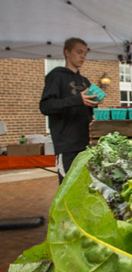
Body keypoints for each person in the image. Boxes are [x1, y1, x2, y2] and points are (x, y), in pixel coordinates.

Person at [40, 37, 98, 184]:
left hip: (86, 143)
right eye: (79, 52)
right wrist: (78, 99)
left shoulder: (84, 81)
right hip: (66, 145)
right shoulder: (56, 76)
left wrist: (94, 102)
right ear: (67, 52)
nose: (83, 56)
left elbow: (88, 109)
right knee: (68, 187)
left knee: (85, 186)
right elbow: (46, 106)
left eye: (85, 53)